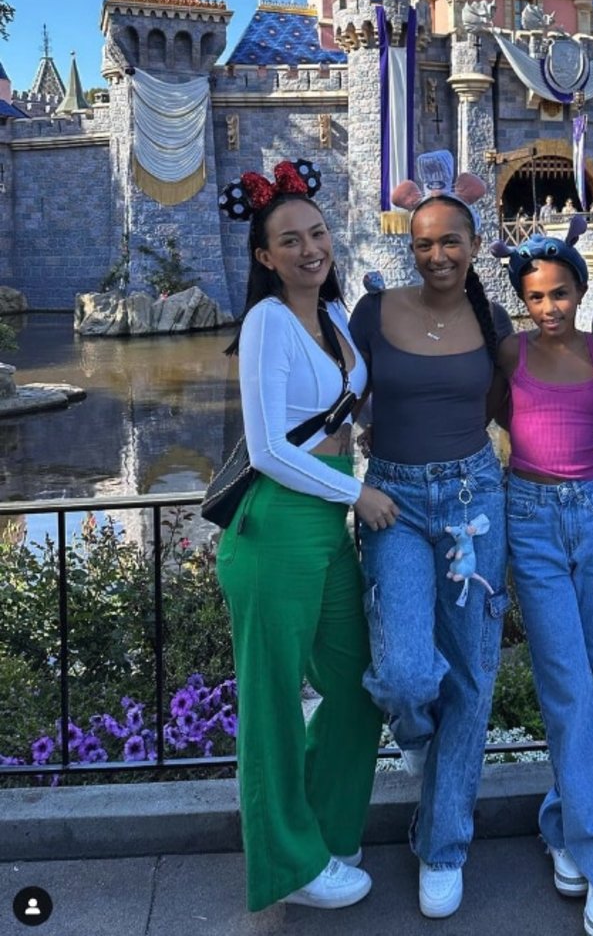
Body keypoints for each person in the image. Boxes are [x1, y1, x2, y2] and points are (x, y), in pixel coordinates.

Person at [215, 159, 393, 914]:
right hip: (275, 524)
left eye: (316, 232)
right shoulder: (265, 323)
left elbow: (357, 410)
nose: (309, 248)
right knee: (272, 702)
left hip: (325, 523)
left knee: (358, 683)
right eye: (289, 240)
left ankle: (322, 824)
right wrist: (359, 490)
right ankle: (289, 860)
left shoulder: (339, 316)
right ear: (264, 256)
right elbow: (267, 448)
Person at [349, 151, 512, 921]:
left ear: (475, 246)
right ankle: (419, 739)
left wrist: (591, 457)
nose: (438, 254)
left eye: (452, 241)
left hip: (476, 496)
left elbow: (526, 404)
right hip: (395, 502)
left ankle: (442, 840)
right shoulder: (373, 314)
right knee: (411, 675)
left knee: (473, 680)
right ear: (408, 248)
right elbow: (334, 402)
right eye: (424, 243)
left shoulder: (492, 319)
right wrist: (353, 479)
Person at [493, 218, 593, 936]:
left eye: (558, 293)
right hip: (530, 513)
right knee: (566, 682)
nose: (547, 306)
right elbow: (498, 415)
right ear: (522, 300)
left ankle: (563, 818)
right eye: (534, 295)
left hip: (591, 510)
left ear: (580, 290)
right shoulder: (509, 352)